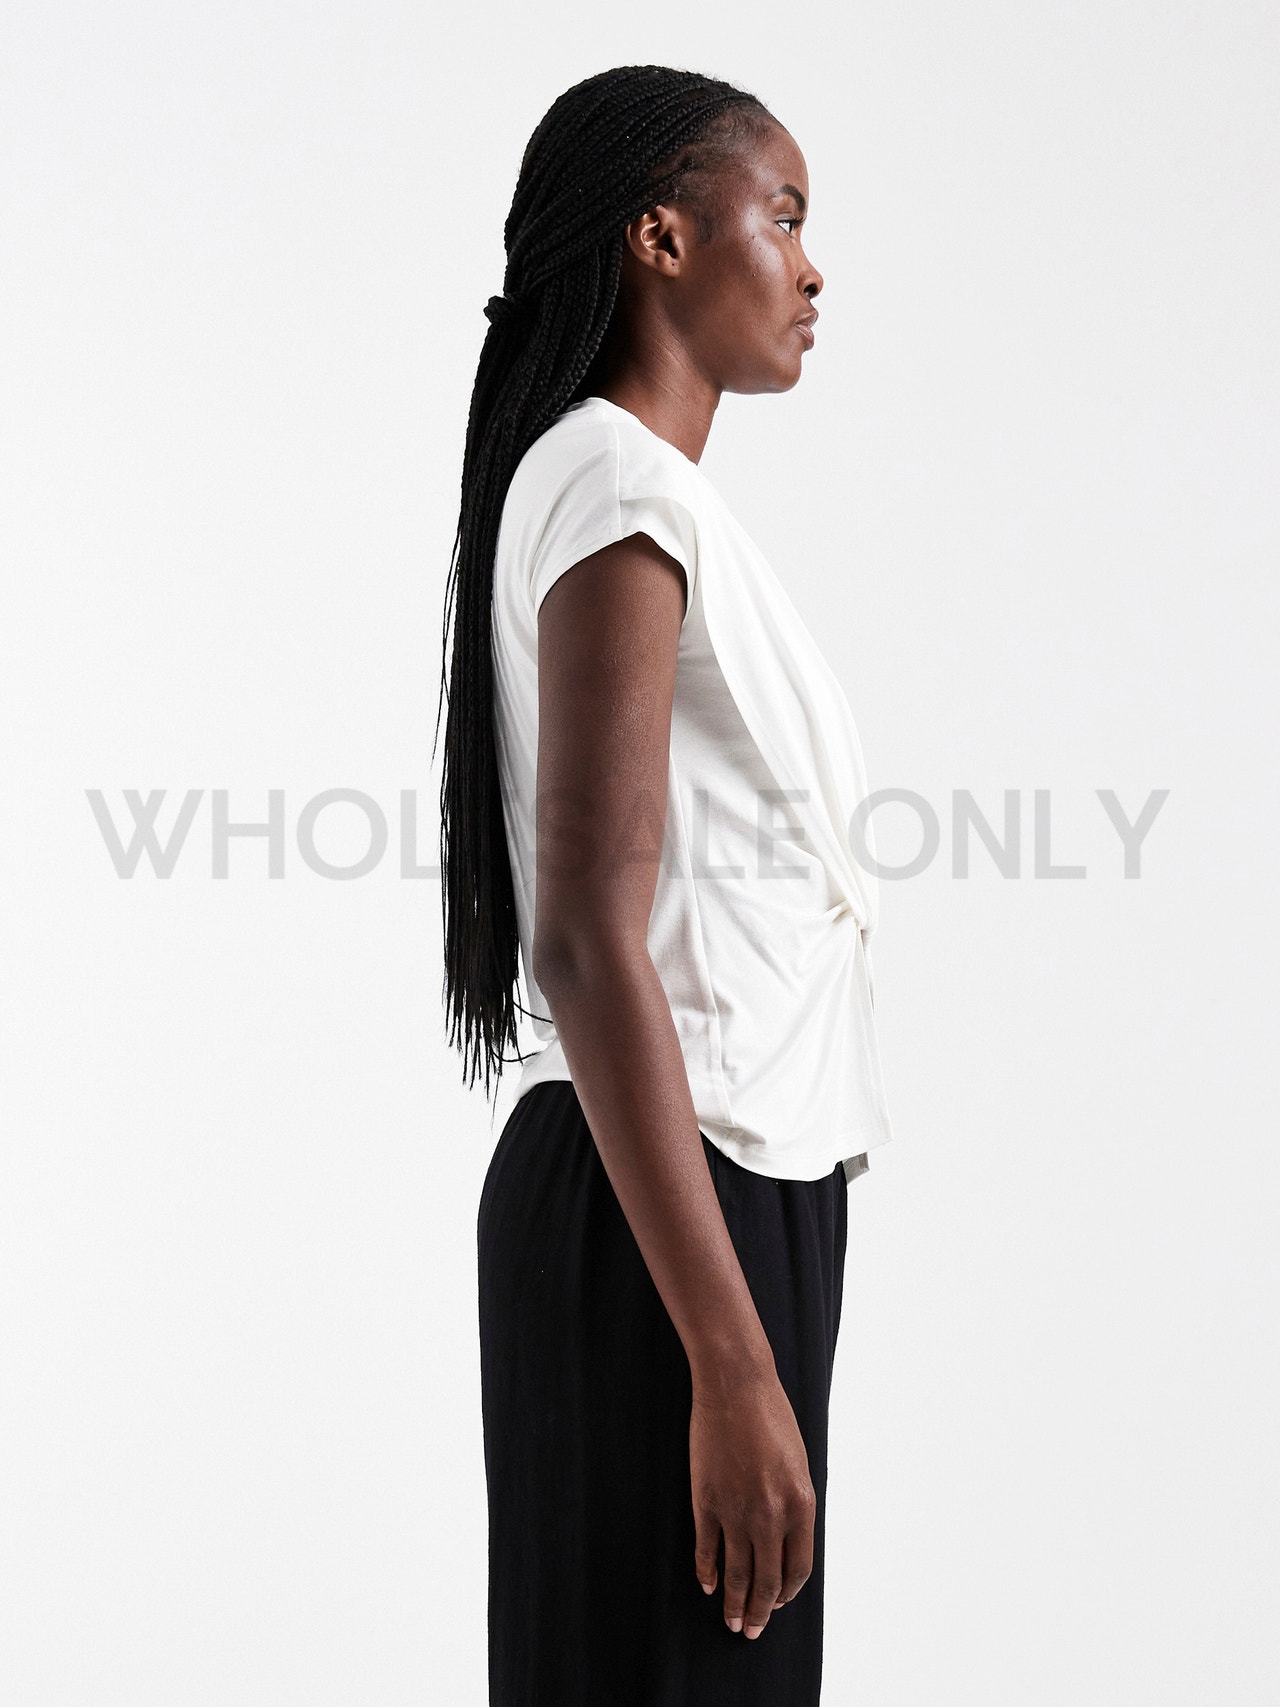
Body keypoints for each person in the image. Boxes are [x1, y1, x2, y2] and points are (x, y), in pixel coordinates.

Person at [435, 64, 894, 1706]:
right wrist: (730, 1358)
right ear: (662, 236)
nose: (813, 269)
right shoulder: (614, 487)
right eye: (784, 216)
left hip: (723, 1197)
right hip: (668, 1215)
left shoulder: (652, 497)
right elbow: (583, 939)